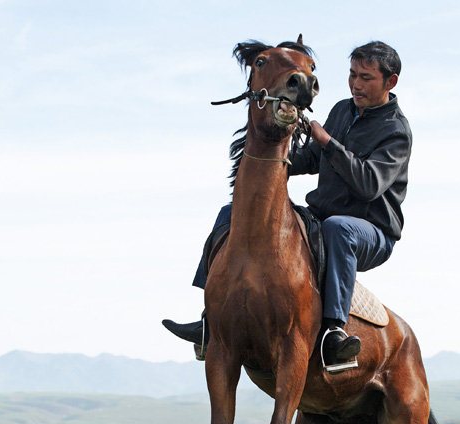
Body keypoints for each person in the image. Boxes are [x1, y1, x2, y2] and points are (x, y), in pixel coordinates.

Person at [163, 41, 411, 368]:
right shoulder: (341, 110)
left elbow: (369, 184)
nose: (356, 84)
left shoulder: (396, 130)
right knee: (232, 212)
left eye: (366, 78)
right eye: (352, 75)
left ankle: (333, 334)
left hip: (371, 232)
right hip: (322, 217)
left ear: (390, 82)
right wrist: (269, 154)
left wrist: (326, 140)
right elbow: (310, 158)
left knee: (340, 230)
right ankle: (210, 318)